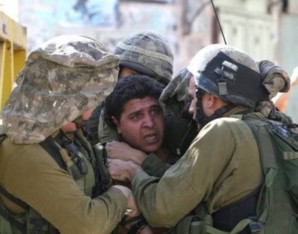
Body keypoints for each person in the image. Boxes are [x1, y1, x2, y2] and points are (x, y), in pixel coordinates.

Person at [107, 44, 293, 233]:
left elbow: (161, 209)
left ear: (210, 99)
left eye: (194, 99)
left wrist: (132, 170)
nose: (190, 109)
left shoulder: (222, 129)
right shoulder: (269, 126)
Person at [0, 35, 139, 234]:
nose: (89, 113)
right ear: (57, 98)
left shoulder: (59, 131)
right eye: (83, 104)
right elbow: (86, 225)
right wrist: (121, 195)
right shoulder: (23, 149)